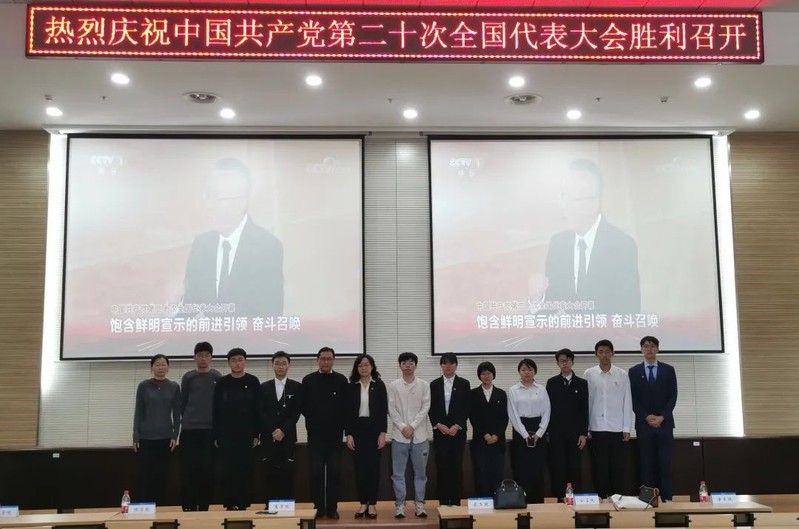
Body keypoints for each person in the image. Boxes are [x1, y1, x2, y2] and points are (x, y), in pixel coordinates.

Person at [529, 158, 640, 316]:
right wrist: (537, 300)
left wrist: (578, 321)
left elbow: (629, 314)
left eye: (571, 198)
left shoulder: (622, 246)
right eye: (563, 196)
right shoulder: (558, 245)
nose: (563, 205)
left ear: (594, 204)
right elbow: (549, 311)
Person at [183, 157, 284, 317]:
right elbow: (190, 305)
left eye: (216, 197)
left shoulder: (267, 247)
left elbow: (269, 316)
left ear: (240, 204)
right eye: (207, 196)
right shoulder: (201, 245)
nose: (208, 205)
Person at [628, 336, 678, 503]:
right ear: (641, 349)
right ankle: (647, 499)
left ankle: (667, 498)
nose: (649, 349)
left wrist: (662, 416)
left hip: (665, 424)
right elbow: (632, 398)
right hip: (644, 425)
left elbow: (673, 396)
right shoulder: (634, 371)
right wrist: (646, 416)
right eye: (646, 346)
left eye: (652, 346)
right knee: (646, 463)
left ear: (657, 349)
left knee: (665, 463)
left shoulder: (668, 370)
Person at [301, 346, 348, 519]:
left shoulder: (341, 380)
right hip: (315, 435)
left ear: (333, 360)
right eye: (323, 359)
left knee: (335, 472)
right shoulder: (308, 380)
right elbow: (303, 406)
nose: (326, 362)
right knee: (316, 472)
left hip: (335, 436)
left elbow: (346, 407)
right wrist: (316, 421)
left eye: (329, 359)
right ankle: (318, 507)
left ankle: (332, 507)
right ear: (317, 360)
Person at [584, 339, 633, 500]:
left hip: (616, 427)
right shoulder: (589, 374)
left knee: (617, 466)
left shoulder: (622, 374)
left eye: (607, 352)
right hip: (596, 427)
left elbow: (627, 401)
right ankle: (601, 497)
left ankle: (616, 497)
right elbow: (586, 402)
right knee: (599, 466)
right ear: (596, 354)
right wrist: (586, 427)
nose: (604, 355)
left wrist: (627, 427)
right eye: (601, 352)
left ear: (613, 353)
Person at [213, 348, 261, 510]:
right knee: (228, 469)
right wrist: (216, 434)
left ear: (245, 361)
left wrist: (256, 434)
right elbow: (216, 409)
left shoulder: (253, 381)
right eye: (233, 360)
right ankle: (229, 503)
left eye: (240, 359)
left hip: (246, 433)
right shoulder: (222, 382)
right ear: (229, 363)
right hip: (226, 434)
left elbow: (258, 410)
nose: (237, 363)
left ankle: (243, 503)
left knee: (245, 469)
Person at [132, 354, 181, 505]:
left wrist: (175, 435)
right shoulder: (143, 386)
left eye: (163, 364)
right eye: (157, 365)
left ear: (168, 368)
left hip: (165, 438)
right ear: (151, 368)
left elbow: (177, 413)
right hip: (146, 438)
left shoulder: (174, 387)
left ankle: (160, 508)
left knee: (162, 476)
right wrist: (135, 436)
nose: (160, 368)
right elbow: (139, 411)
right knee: (146, 476)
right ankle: (145, 507)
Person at [388, 352, 431, 519]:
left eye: (411, 362)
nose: (408, 365)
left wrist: (412, 426)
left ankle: (420, 504)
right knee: (398, 473)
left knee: (420, 473)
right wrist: (402, 427)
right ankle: (400, 505)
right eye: (404, 363)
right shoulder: (393, 386)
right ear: (400, 365)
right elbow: (391, 409)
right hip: (399, 436)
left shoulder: (424, 385)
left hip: (420, 436)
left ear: (416, 365)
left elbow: (425, 408)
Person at [344, 354, 388, 519]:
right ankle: (363, 502)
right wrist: (348, 434)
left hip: (374, 431)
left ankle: (372, 504)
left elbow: (383, 410)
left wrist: (383, 432)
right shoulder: (351, 386)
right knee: (360, 468)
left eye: (366, 365)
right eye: (360, 365)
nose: (363, 368)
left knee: (373, 468)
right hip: (357, 431)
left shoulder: (379, 385)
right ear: (357, 368)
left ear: (372, 367)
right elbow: (347, 412)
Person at [179, 342, 222, 511]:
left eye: (206, 355)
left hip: (209, 430)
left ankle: (204, 506)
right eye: (200, 355)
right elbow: (183, 402)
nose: (203, 359)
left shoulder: (217, 376)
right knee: (189, 469)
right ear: (194, 357)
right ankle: (188, 505)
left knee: (207, 470)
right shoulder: (188, 377)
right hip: (189, 430)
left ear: (211, 358)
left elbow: (219, 404)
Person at [546, 348, 589, 500]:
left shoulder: (582, 383)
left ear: (572, 362)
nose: (565, 364)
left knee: (574, 468)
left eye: (568, 360)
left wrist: (583, 433)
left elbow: (585, 410)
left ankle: (575, 500)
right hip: (556, 433)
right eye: (562, 361)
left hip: (575, 434)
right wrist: (548, 432)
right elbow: (547, 409)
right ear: (558, 363)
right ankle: (559, 500)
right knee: (558, 468)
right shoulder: (552, 383)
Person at [429, 352, 470, 506]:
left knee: (456, 467)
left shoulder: (464, 384)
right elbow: (430, 407)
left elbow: (467, 407)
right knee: (442, 467)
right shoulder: (434, 384)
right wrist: (438, 425)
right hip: (440, 432)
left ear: (456, 366)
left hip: (457, 432)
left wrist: (456, 425)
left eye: (451, 363)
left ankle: (456, 501)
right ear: (441, 366)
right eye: (445, 363)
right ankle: (444, 502)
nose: (448, 366)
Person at [260, 350, 301, 505]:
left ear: (289, 365)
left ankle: (286, 507)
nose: (280, 366)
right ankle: (269, 507)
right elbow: (261, 412)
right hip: (268, 437)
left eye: (284, 363)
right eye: (277, 363)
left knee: (287, 473)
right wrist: (272, 430)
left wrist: (283, 430)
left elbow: (296, 412)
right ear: (272, 366)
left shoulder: (296, 387)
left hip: (288, 437)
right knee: (269, 473)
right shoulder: (264, 387)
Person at [507, 358, 550, 504]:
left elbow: (547, 411)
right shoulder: (513, 390)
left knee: (537, 468)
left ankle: (538, 502)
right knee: (521, 467)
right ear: (519, 372)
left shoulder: (541, 389)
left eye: (530, 369)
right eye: (524, 369)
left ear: (535, 372)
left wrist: (539, 433)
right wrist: (525, 434)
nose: (527, 372)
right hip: (520, 430)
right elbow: (512, 414)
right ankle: (521, 501)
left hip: (538, 430)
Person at [469, 361, 508, 498]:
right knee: (481, 473)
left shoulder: (501, 394)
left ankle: (498, 501)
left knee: (497, 473)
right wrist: (485, 434)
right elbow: (473, 417)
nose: (486, 376)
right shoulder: (473, 394)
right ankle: (482, 502)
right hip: (480, 441)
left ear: (493, 375)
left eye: (489, 373)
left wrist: (496, 435)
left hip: (498, 442)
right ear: (479, 376)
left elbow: (504, 417)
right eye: (483, 374)